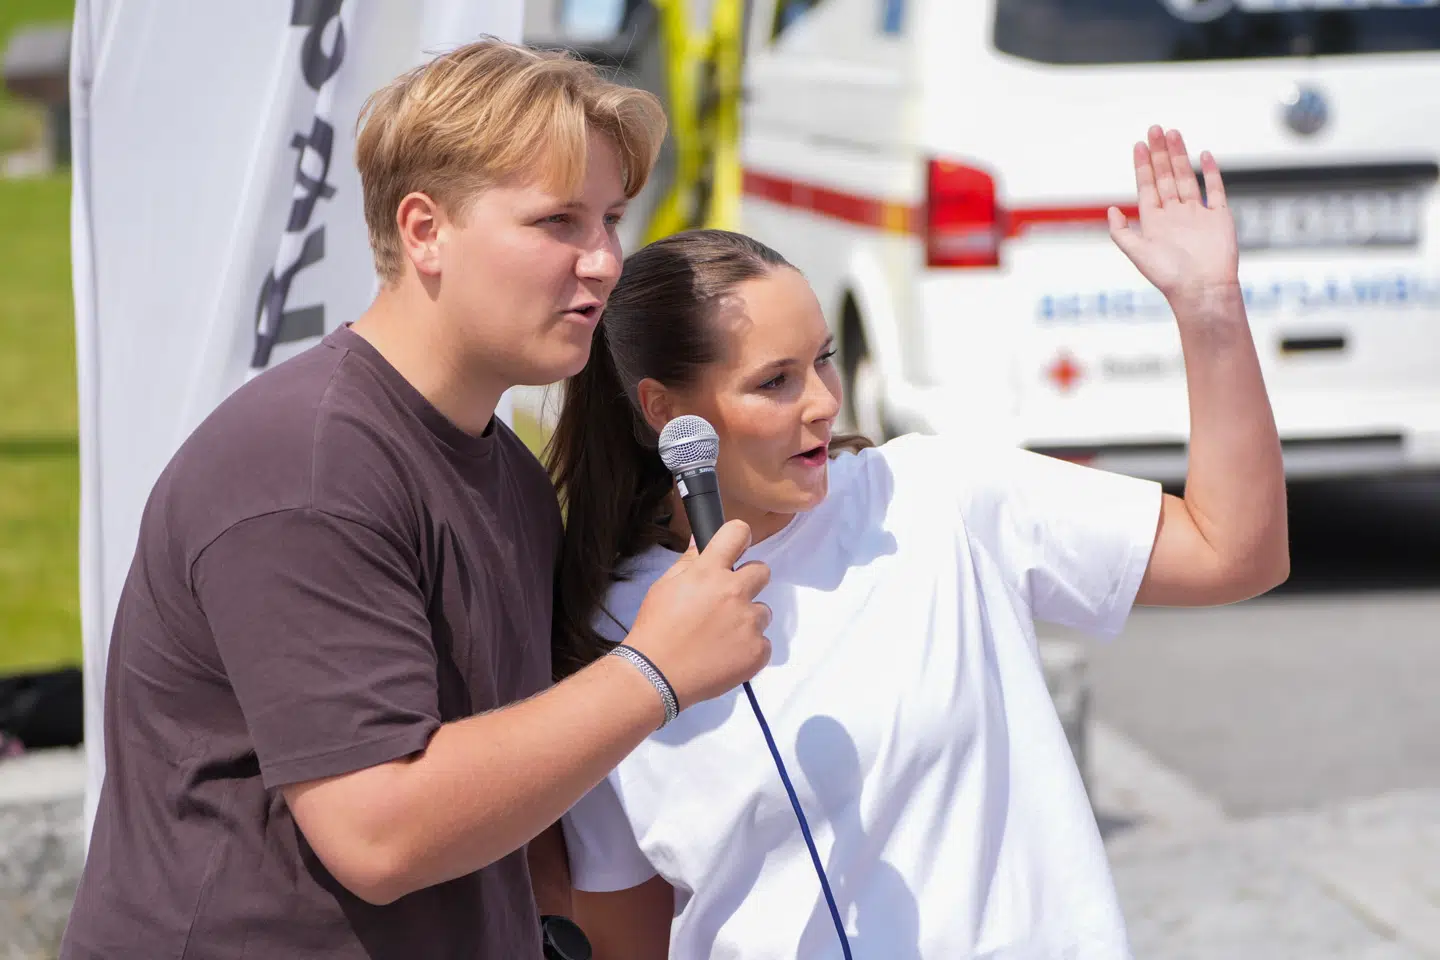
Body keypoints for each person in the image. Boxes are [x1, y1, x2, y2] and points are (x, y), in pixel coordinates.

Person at [60, 39, 776, 960]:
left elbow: (516, 777)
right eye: (558, 220)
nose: (604, 260)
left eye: (611, 218)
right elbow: (378, 831)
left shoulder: (506, 472)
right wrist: (654, 670)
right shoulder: (305, 468)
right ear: (423, 230)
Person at [547, 127, 1290, 958]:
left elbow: (1237, 553)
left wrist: (1211, 309)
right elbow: (625, 936)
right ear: (663, 411)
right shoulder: (609, 637)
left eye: (823, 361)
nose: (824, 403)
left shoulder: (936, 496)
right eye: (775, 382)